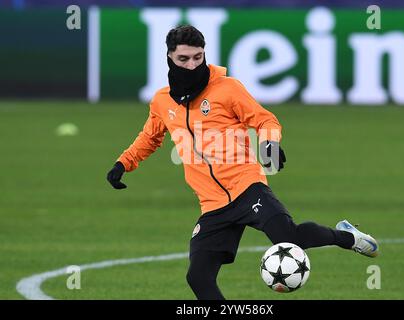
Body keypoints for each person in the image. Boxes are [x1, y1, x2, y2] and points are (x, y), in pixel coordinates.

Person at [106, 25, 378, 300]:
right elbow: (150, 137)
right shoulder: (162, 102)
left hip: (247, 187)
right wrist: (123, 163)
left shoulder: (227, 88)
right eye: (183, 59)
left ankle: (349, 238)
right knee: (198, 277)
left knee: (291, 239)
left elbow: (264, 120)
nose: (191, 65)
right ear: (169, 58)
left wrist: (269, 142)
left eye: (198, 57)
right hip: (212, 204)